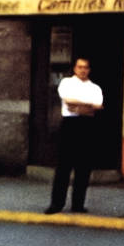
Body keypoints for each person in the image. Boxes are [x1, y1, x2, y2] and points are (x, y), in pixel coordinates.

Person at [45, 57, 103, 214]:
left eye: (86, 67)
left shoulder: (95, 87)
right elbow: (68, 101)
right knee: (63, 167)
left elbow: (98, 106)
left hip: (87, 127)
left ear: (89, 69)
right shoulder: (67, 83)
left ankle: (78, 205)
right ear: (75, 68)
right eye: (80, 67)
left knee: (83, 168)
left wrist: (79, 106)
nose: (83, 70)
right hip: (70, 126)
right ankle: (56, 204)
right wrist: (86, 105)